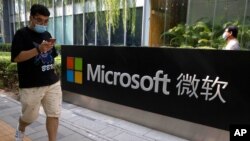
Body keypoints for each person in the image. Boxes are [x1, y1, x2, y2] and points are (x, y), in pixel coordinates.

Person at [11, 4, 62, 141]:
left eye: (46, 21)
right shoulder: (21, 34)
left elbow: (52, 55)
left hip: (52, 82)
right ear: (31, 18)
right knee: (29, 118)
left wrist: (53, 70)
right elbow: (17, 57)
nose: (43, 24)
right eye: (39, 20)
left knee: (54, 114)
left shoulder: (47, 34)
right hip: (31, 85)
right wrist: (38, 49)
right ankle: (21, 126)